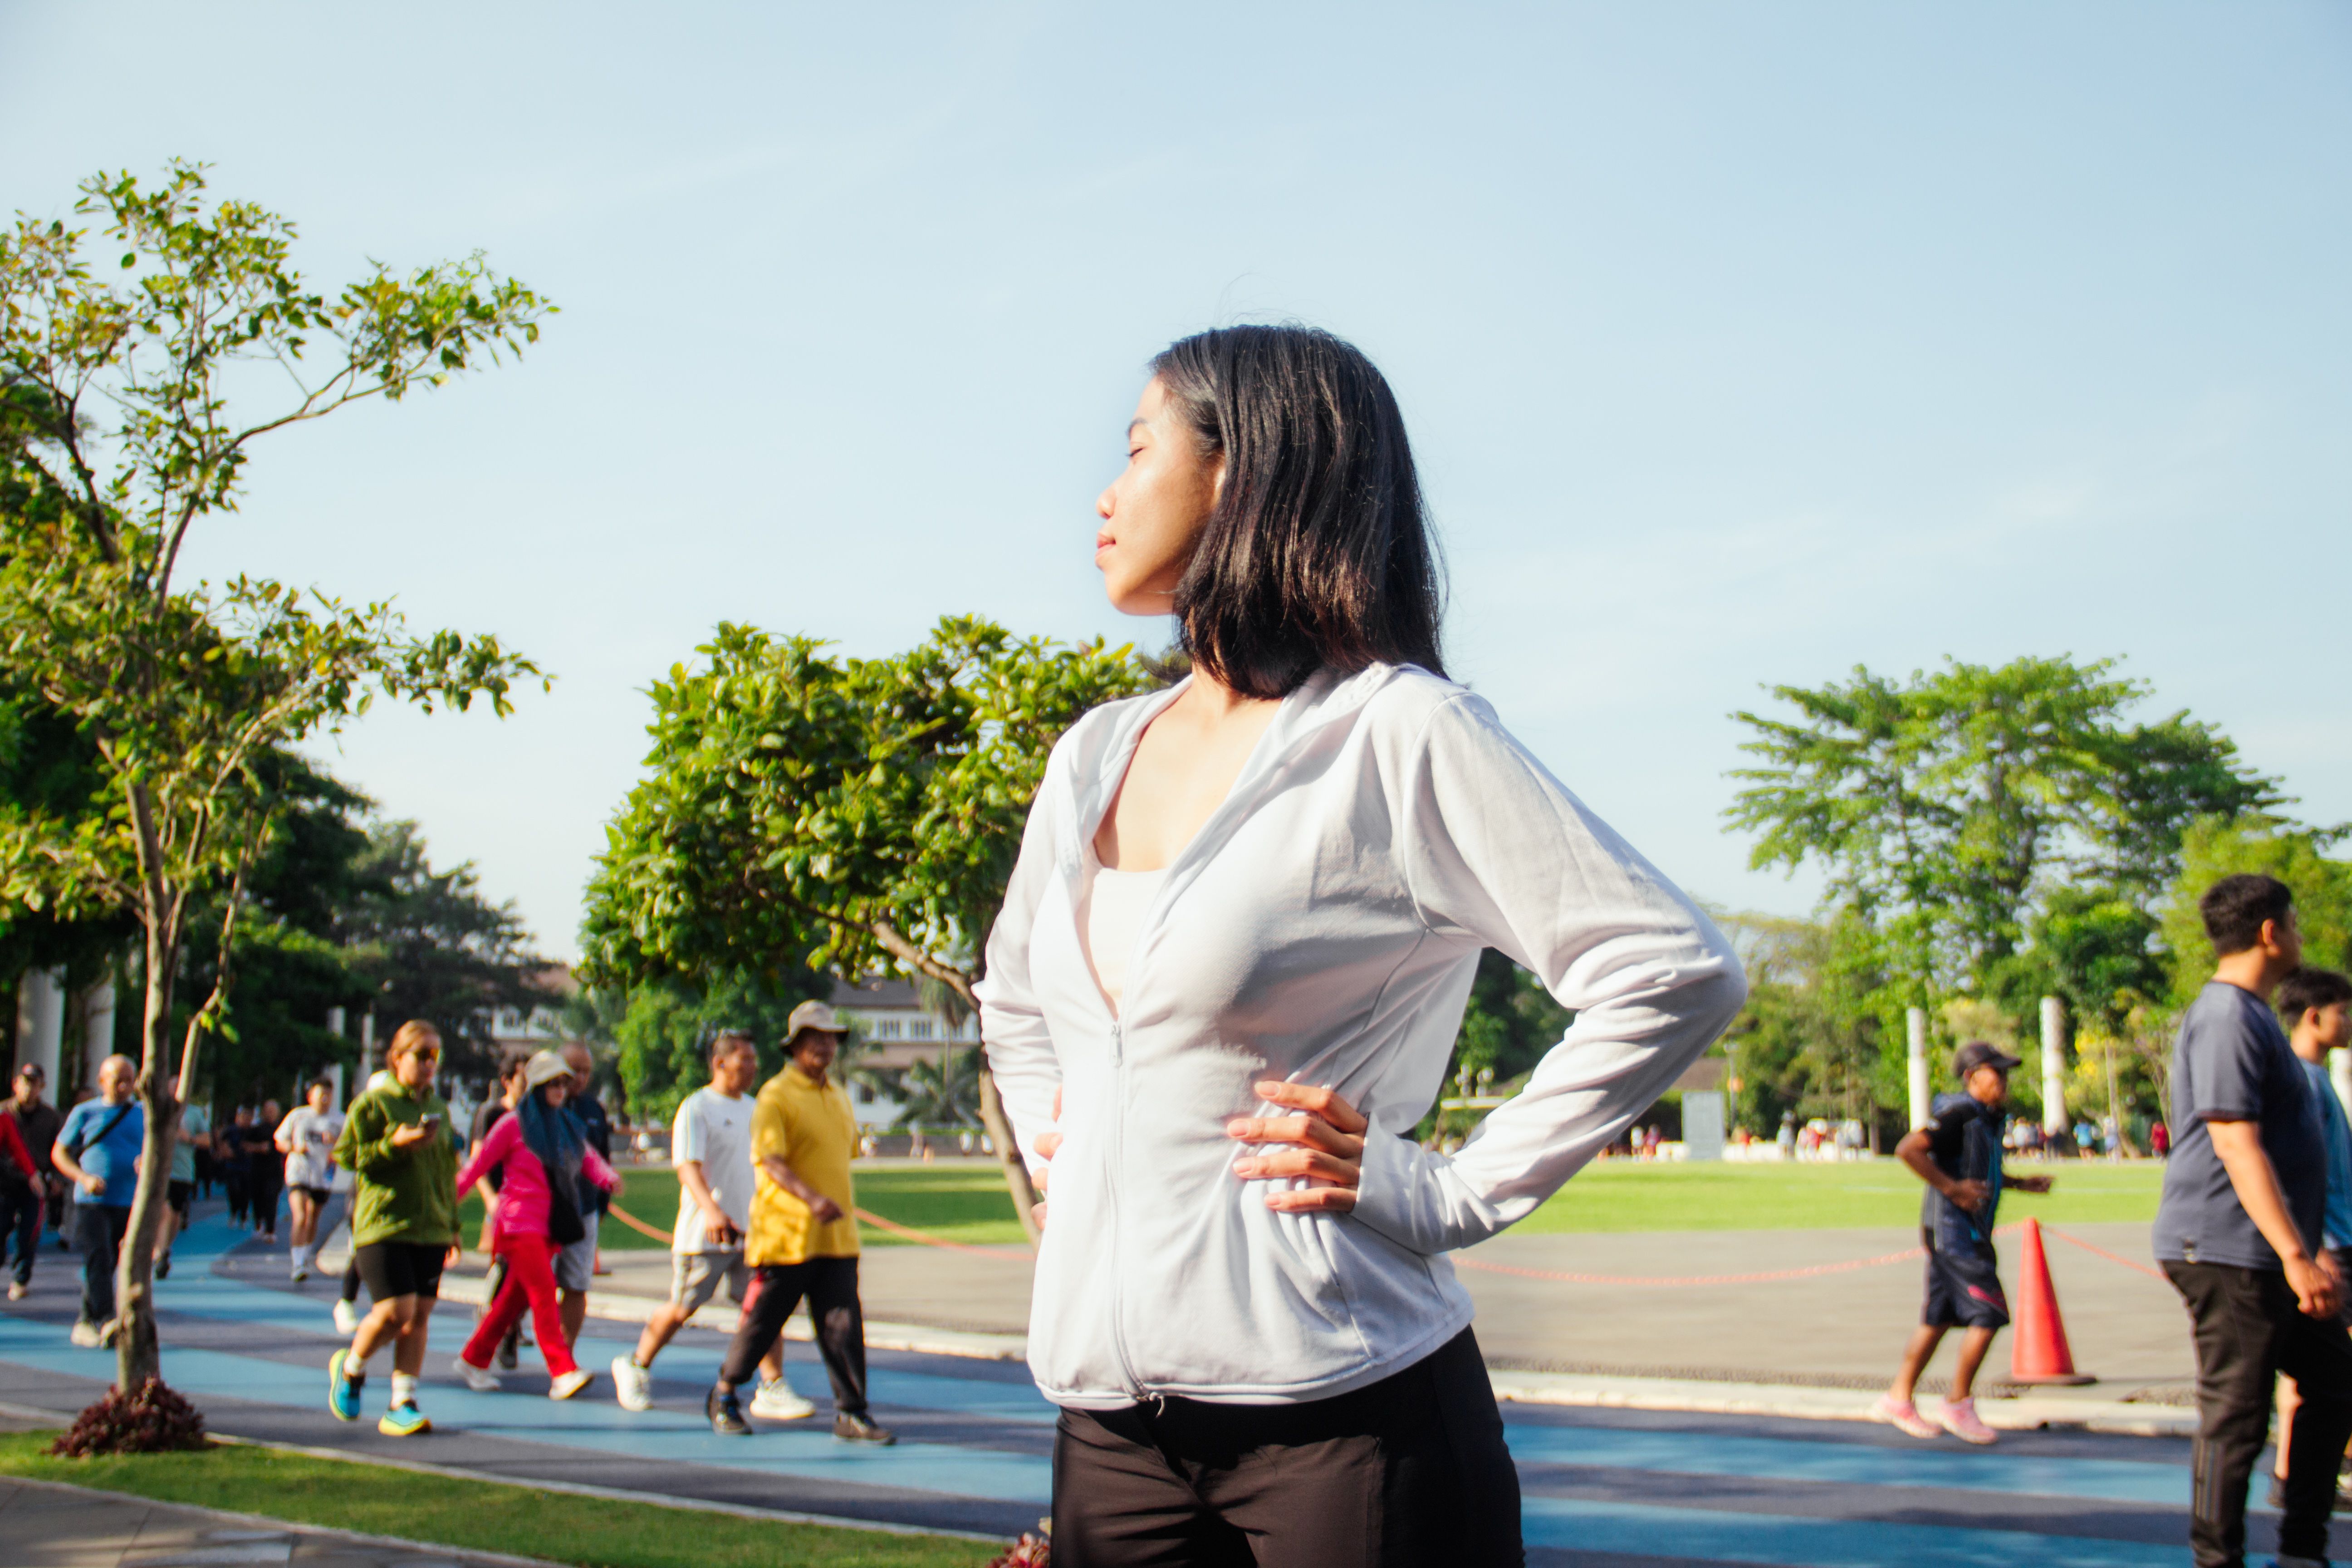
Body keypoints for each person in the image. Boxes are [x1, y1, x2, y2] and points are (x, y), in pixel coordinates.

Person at [975, 325, 1745, 1566]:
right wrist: (1068, 1149)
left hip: (1344, 1429)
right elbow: (1014, 998)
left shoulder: (1398, 732)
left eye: (1136, 449)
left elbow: (1672, 971)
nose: (1105, 495)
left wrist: (1445, 1190)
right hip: (1108, 1435)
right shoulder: (1094, 756)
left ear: (1244, 475)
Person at [2156, 873, 2352, 1568]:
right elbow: (2235, 1140)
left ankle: (2302, 1549)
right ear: (2270, 931)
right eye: (2295, 924)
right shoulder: (2227, 1016)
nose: (2301, 936)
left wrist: (2304, 1249)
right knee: (2238, 1411)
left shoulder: (2254, 1014)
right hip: (2225, 1246)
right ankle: (2219, 1560)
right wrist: (2298, 1255)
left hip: (2270, 1250)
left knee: (2333, 1382)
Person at [706, 1002, 890, 1441]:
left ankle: (852, 1411)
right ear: (796, 1046)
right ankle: (726, 1392)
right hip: (786, 1234)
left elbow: (839, 1157)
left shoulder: (839, 1097)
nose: (825, 1046)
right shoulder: (776, 1096)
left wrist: (828, 1204)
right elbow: (770, 1161)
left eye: (831, 1038)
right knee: (763, 1322)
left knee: (843, 1325)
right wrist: (811, 1199)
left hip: (836, 1237)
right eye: (815, 1038)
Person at [1871, 1041, 2054, 1445]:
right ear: (1973, 1077)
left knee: (1937, 1319)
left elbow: (1980, 1168)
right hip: (1955, 1233)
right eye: (1998, 1073)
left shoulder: (1987, 1119)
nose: (2005, 1082)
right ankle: (1958, 1402)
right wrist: (1952, 1190)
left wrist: (2021, 1184)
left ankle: (1897, 1398)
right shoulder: (1959, 1114)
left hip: (1964, 1231)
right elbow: (1908, 1149)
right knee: (1989, 1314)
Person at [612, 1030, 800, 1416]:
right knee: (683, 1307)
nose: (751, 1068)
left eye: (753, 1060)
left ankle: (772, 1385)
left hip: (752, 1233)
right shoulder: (697, 1107)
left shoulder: (755, 1108)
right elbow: (687, 1167)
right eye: (743, 1060)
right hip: (706, 1233)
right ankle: (635, 1364)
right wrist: (713, 1212)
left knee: (763, 1309)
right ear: (720, 1063)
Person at [450, 1049, 614, 1399]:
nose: (559, 1089)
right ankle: (562, 1370)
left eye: (563, 1083)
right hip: (518, 1223)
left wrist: (607, 1178)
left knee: (512, 1301)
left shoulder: (566, 1124)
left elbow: (587, 1158)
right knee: (543, 1295)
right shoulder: (513, 1123)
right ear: (536, 1086)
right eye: (552, 1083)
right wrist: (447, 1203)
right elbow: (477, 1167)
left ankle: (473, 1359)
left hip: (549, 1226)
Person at [326, 1022, 459, 1436]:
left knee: (419, 1314)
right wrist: (393, 1144)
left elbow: (445, 1170)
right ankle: (351, 1368)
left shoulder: (440, 1107)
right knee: (395, 1311)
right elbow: (346, 1156)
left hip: (431, 1227)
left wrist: (452, 1224)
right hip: (383, 1223)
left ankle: (403, 1401)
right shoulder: (374, 1104)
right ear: (397, 1058)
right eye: (421, 1055)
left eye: (435, 1057)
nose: (429, 1065)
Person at [2270, 967, 2352, 1509]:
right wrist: (2317, 1247)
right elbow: (2297, 1171)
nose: (2349, 1021)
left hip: (2331, 1236)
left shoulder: (2316, 1079)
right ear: (2315, 1016)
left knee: (2311, 1361)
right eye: (2344, 1011)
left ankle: (2286, 1471)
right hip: (2331, 1242)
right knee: (2336, 1364)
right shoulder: (2302, 1082)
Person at [50, 1055, 145, 1348]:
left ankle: (84, 1321)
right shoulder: (85, 1112)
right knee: (98, 1256)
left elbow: (156, 1148)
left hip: (128, 1200)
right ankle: (106, 1320)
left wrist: (147, 1162)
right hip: (91, 1201)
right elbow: (59, 1154)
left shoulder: (143, 1113)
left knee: (112, 1262)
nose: (123, 1086)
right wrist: (83, 1177)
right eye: (117, 1080)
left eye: (129, 1080)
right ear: (102, 1081)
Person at [468, 1056, 529, 1368]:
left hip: (531, 1205)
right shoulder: (491, 1113)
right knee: (506, 1266)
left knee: (530, 1273)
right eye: (523, 1077)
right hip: (503, 1203)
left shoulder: (534, 1114)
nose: (529, 1083)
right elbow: (477, 1160)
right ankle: (495, 1322)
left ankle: (510, 1327)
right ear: (508, 1081)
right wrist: (490, 1198)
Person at [556, 1042, 617, 1347]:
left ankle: (565, 1354)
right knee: (532, 1287)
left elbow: (602, 1158)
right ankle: (509, 1330)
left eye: (586, 1072)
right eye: (573, 1070)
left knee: (577, 1285)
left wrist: (603, 1202)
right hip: (546, 1212)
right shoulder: (541, 1106)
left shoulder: (594, 1109)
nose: (579, 1078)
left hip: (584, 1210)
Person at [3, 1065, 61, 1301]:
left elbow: (60, 1148)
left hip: (35, 1182)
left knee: (30, 1231)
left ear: (42, 1087)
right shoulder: (4, 1113)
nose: (28, 1088)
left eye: (34, 1083)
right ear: (16, 1084)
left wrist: (57, 1178)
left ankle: (20, 1277)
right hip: (4, 1181)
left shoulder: (51, 1117)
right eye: (24, 1082)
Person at [276, 1079, 344, 1281]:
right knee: (301, 1215)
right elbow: (279, 1140)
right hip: (299, 1171)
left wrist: (335, 1145)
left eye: (328, 1095)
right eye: (320, 1094)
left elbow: (349, 1147)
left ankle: (305, 1254)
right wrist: (294, 1148)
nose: (324, 1099)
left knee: (314, 1216)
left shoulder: (340, 1120)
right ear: (310, 1096)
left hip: (323, 1175)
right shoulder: (298, 1116)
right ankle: (297, 1263)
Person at [153, 1096, 211, 1280]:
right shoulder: (155, 1108)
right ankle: (159, 1254)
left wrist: (190, 1138)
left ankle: (165, 1248)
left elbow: (207, 1141)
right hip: (159, 1171)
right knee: (165, 1211)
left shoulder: (194, 1113)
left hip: (183, 1171)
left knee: (175, 1215)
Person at [245, 1098, 283, 1244]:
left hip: (275, 1170)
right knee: (258, 1198)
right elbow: (245, 1145)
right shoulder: (256, 1129)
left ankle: (270, 1230)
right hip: (258, 1170)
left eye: (273, 1111)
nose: (270, 1114)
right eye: (268, 1111)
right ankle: (258, 1222)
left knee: (271, 1197)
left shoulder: (281, 1128)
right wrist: (259, 1148)